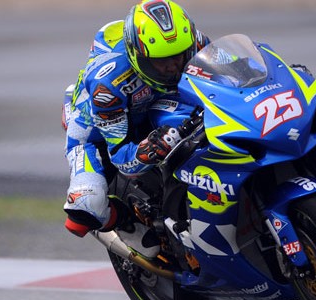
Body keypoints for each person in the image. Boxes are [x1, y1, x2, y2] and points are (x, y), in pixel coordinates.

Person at [61, 0, 208, 258]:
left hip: (155, 102)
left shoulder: (195, 44)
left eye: (178, 57)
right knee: (87, 204)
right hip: (97, 133)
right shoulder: (108, 84)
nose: (173, 67)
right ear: (137, 56)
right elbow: (121, 158)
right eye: (161, 62)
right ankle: (125, 224)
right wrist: (150, 149)